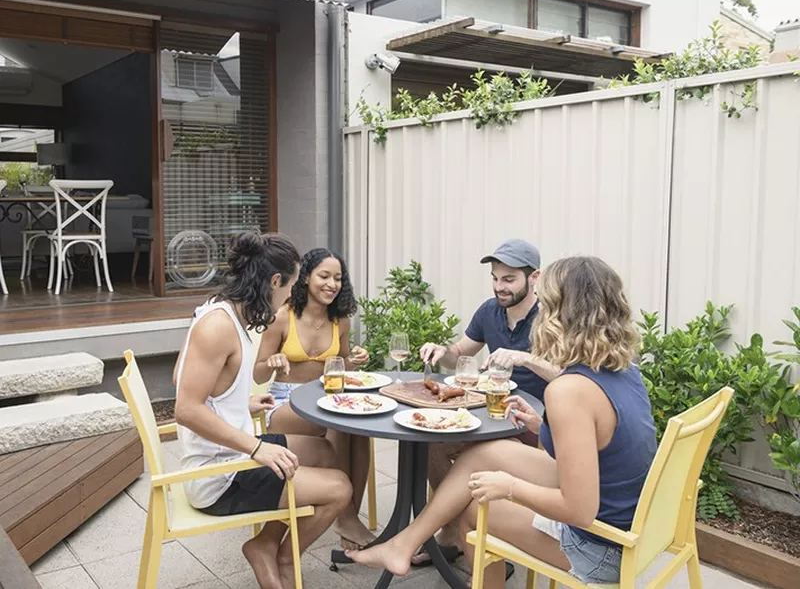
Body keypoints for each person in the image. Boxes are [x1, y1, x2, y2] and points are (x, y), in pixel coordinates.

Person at [348, 256, 658, 589]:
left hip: (602, 548)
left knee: (476, 509)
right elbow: (603, 441)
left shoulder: (568, 390)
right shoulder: (625, 369)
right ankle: (403, 544)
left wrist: (508, 487)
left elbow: (579, 511)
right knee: (483, 454)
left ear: (558, 314)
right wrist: (542, 427)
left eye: (547, 303)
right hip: (630, 521)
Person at [173, 232, 352, 589]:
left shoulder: (221, 311)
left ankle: (265, 544)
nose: (289, 298)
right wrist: (257, 447)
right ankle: (283, 558)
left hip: (229, 454)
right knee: (340, 489)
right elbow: (186, 409)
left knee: (325, 451)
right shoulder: (218, 327)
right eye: (288, 290)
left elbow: (184, 376)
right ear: (274, 281)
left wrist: (237, 401)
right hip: (218, 477)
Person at [412, 239, 560, 566]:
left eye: (508, 280)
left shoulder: (550, 318)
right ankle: (451, 529)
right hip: (488, 412)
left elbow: (567, 377)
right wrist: (442, 352)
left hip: (531, 423)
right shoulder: (489, 311)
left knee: (474, 457)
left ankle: (496, 545)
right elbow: (459, 354)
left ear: (534, 277)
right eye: (495, 278)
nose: (499, 287)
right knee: (429, 444)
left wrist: (525, 358)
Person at [254, 248, 374, 551]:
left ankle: (349, 516)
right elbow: (256, 374)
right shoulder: (282, 317)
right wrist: (273, 361)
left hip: (325, 397)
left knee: (358, 432)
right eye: (324, 276)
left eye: (338, 278)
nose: (331, 284)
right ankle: (347, 520)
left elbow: (341, 366)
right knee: (341, 424)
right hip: (285, 404)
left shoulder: (340, 321)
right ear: (306, 277)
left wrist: (354, 360)